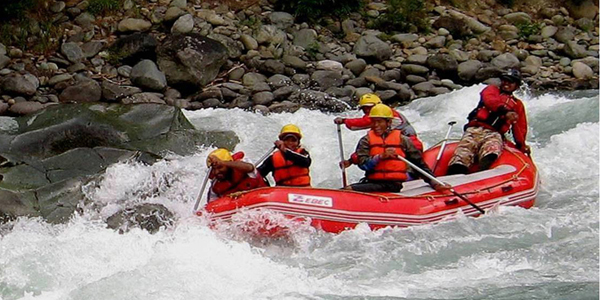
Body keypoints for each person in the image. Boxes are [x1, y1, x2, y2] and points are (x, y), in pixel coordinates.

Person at [346, 104, 450, 193]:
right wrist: (380, 157)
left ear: (389, 123)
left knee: (349, 189)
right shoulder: (365, 140)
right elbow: (363, 165)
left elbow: (419, 164)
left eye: (380, 122)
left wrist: (434, 183)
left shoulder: (404, 140)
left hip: (393, 184)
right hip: (372, 181)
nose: (376, 125)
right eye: (373, 122)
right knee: (347, 189)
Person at [447, 69, 530, 175]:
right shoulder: (491, 90)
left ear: (516, 86)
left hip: (494, 133)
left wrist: (521, 146)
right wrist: (505, 111)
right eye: (505, 80)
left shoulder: (517, 105)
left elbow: (519, 127)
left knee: (491, 152)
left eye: (510, 82)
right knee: (463, 153)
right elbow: (490, 101)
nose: (506, 83)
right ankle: (456, 173)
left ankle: (482, 173)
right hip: (475, 129)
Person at [334, 93, 424, 151]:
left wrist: (344, 121)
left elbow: (361, 123)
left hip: (410, 144)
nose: (367, 110)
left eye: (369, 107)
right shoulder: (379, 120)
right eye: (364, 108)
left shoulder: (383, 114)